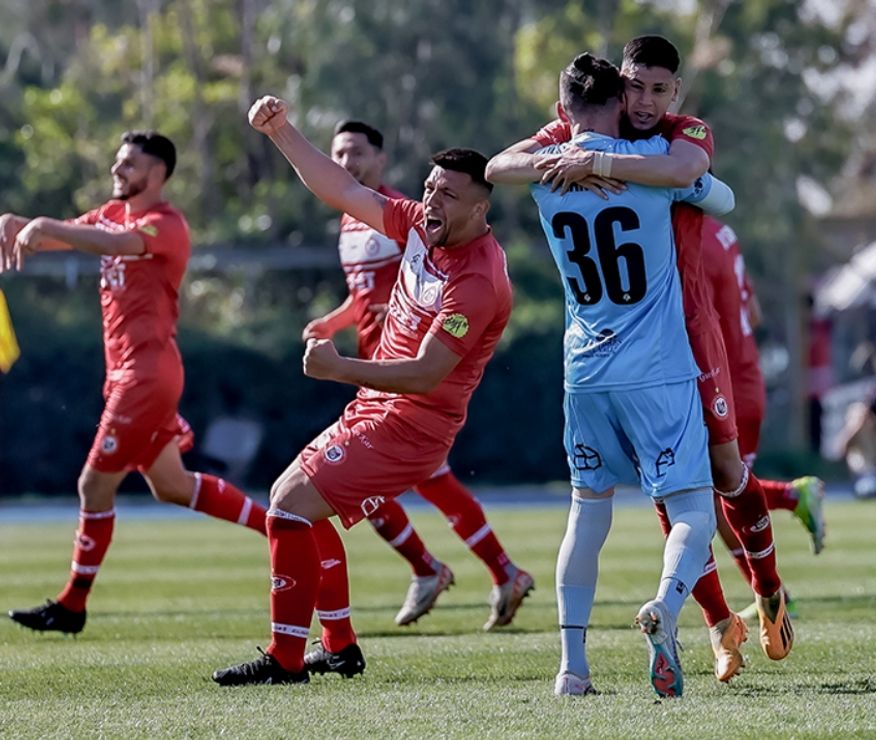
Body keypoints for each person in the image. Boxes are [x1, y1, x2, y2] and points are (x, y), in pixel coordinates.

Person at [488, 34, 811, 684]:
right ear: (619, 85)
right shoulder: (621, 143)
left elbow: (694, 181)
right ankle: (719, 625)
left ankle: (768, 591)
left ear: (676, 93)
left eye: (658, 90)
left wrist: (586, 162)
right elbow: (710, 196)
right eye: (635, 86)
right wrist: (593, 157)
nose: (645, 100)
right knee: (681, 497)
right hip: (658, 350)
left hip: (673, 337)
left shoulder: (679, 135)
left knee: (721, 472)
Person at [213, 96, 517, 686]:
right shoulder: (419, 225)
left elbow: (428, 373)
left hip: (412, 428)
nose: (431, 201)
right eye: (429, 187)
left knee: (288, 506)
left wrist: (338, 367)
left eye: (448, 195)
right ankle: (341, 646)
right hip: (380, 410)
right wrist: (280, 131)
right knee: (295, 504)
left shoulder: (479, 279)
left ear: (482, 210)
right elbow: (341, 191)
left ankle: (285, 659)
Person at [1, 132, 268, 635]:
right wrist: (19, 226)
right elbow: (65, 237)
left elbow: (119, 244)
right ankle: (280, 527)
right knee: (172, 486)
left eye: (129, 165)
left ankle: (72, 604)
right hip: (128, 374)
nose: (117, 171)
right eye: (117, 161)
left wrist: (47, 225)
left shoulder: (165, 225)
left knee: (92, 485)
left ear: (159, 174)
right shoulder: (110, 213)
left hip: (145, 378)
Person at [309, 119, 531, 630]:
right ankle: (473, 569)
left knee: (355, 486)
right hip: (374, 370)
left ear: (381, 160)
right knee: (406, 484)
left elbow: (431, 288)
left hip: (406, 377)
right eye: (339, 152)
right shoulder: (353, 222)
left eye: (358, 154)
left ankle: (441, 569)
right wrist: (336, 322)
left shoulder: (415, 219)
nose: (347, 163)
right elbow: (366, 294)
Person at [697, 216, 826, 601]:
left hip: (725, 382)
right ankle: (773, 592)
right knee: (717, 495)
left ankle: (772, 592)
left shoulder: (685, 240)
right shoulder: (719, 231)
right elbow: (751, 312)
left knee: (720, 496)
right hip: (743, 373)